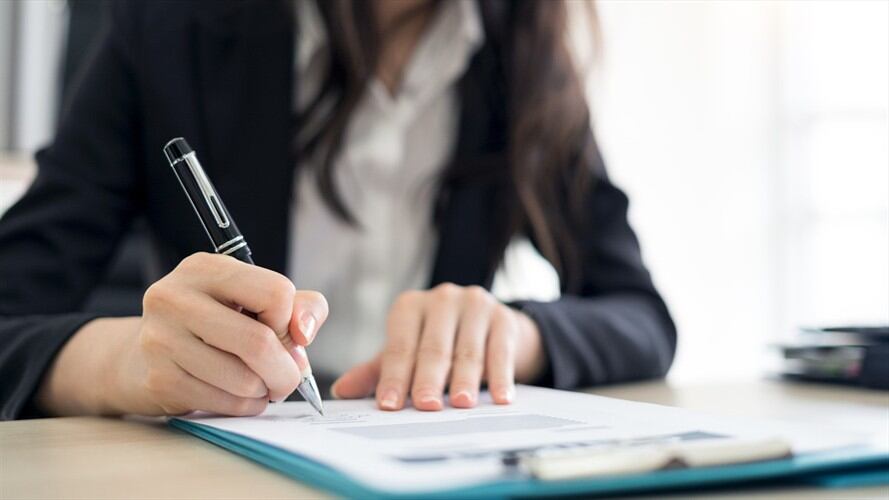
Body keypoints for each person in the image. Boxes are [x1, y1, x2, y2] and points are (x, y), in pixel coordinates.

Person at [0, 0, 676, 420]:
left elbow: (641, 316)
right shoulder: (169, 27)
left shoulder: (524, 57)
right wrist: (127, 362)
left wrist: (512, 336)